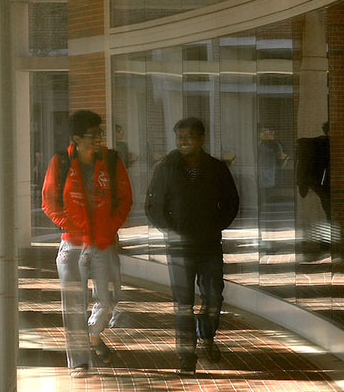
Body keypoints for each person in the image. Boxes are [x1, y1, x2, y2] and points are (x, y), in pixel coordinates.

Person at [41, 110, 133, 376]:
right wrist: (74, 226)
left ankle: (93, 335)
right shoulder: (60, 163)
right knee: (73, 306)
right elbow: (49, 202)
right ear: (77, 138)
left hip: (104, 243)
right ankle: (79, 362)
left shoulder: (112, 161)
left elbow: (125, 200)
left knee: (111, 299)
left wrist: (109, 226)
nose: (98, 139)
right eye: (93, 134)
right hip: (73, 246)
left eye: (100, 133)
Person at [146, 117, 241, 374]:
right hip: (179, 247)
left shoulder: (217, 168)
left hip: (209, 245)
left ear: (201, 139)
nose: (183, 142)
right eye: (179, 137)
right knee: (183, 304)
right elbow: (153, 206)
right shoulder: (166, 168)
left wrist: (215, 225)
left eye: (188, 137)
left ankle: (207, 337)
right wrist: (172, 230)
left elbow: (232, 202)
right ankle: (187, 355)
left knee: (213, 298)